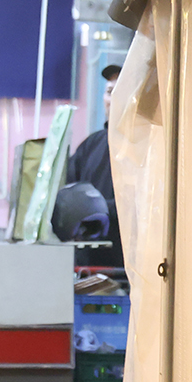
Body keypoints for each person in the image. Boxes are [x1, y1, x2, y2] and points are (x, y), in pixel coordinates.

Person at [64, 64, 124, 267]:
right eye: (109, 92)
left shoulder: (146, 147)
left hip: (124, 269)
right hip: (86, 266)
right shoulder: (91, 145)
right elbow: (66, 192)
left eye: (120, 91)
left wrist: (96, 209)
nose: (113, 99)